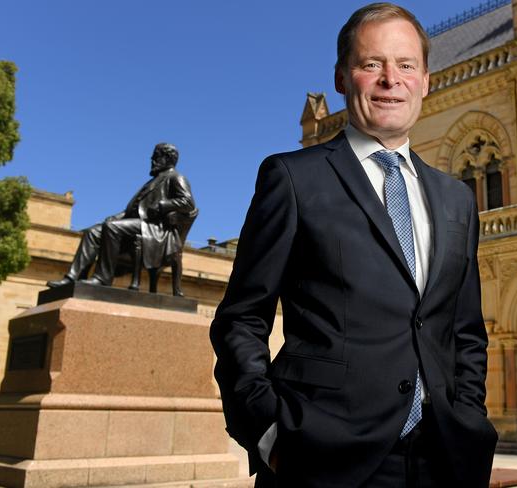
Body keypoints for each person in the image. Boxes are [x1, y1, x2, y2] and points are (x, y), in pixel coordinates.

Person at [210, 3, 497, 487]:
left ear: (426, 80)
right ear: (343, 78)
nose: (391, 79)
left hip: (444, 459)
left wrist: (469, 416)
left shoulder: (457, 198)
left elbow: (465, 332)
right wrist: (269, 434)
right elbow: (242, 318)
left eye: (406, 65)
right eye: (372, 65)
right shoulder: (293, 178)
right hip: (321, 459)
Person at [47, 143, 195, 292]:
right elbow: (132, 210)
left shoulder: (176, 177)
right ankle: (74, 277)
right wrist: (115, 217)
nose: (152, 159)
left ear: (168, 158)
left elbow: (188, 202)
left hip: (155, 228)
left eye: (156, 156)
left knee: (111, 228)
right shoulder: (153, 181)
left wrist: (162, 205)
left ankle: (102, 278)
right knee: (92, 232)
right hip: (137, 223)